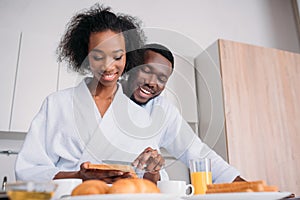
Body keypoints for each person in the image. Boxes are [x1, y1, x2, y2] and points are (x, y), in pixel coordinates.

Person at [15, 4, 164, 184]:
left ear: (127, 55)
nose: (108, 66)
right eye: (98, 56)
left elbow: (150, 182)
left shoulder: (139, 116)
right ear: (85, 55)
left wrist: (154, 169)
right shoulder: (57, 104)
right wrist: (79, 176)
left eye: (117, 57)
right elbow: (28, 170)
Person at [121, 43, 245, 182]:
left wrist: (244, 185)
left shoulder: (162, 109)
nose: (152, 83)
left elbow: (196, 152)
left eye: (161, 79)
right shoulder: (106, 96)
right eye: (146, 71)